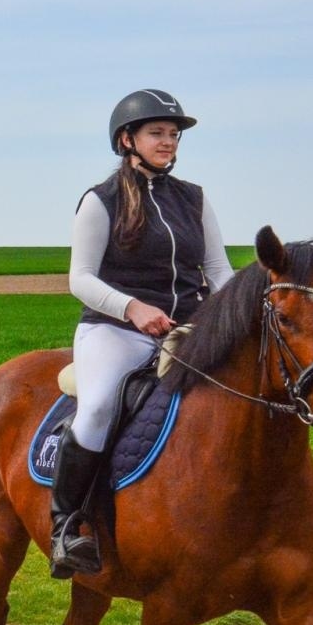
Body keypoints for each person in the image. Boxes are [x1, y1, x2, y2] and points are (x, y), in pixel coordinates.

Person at [57, 89, 233, 579]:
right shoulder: (100, 200)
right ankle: (67, 525)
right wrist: (133, 308)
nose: (169, 142)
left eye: (173, 134)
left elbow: (218, 269)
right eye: (157, 133)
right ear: (126, 139)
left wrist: (235, 316)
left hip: (190, 327)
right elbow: (81, 279)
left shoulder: (194, 199)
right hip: (116, 330)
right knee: (96, 407)